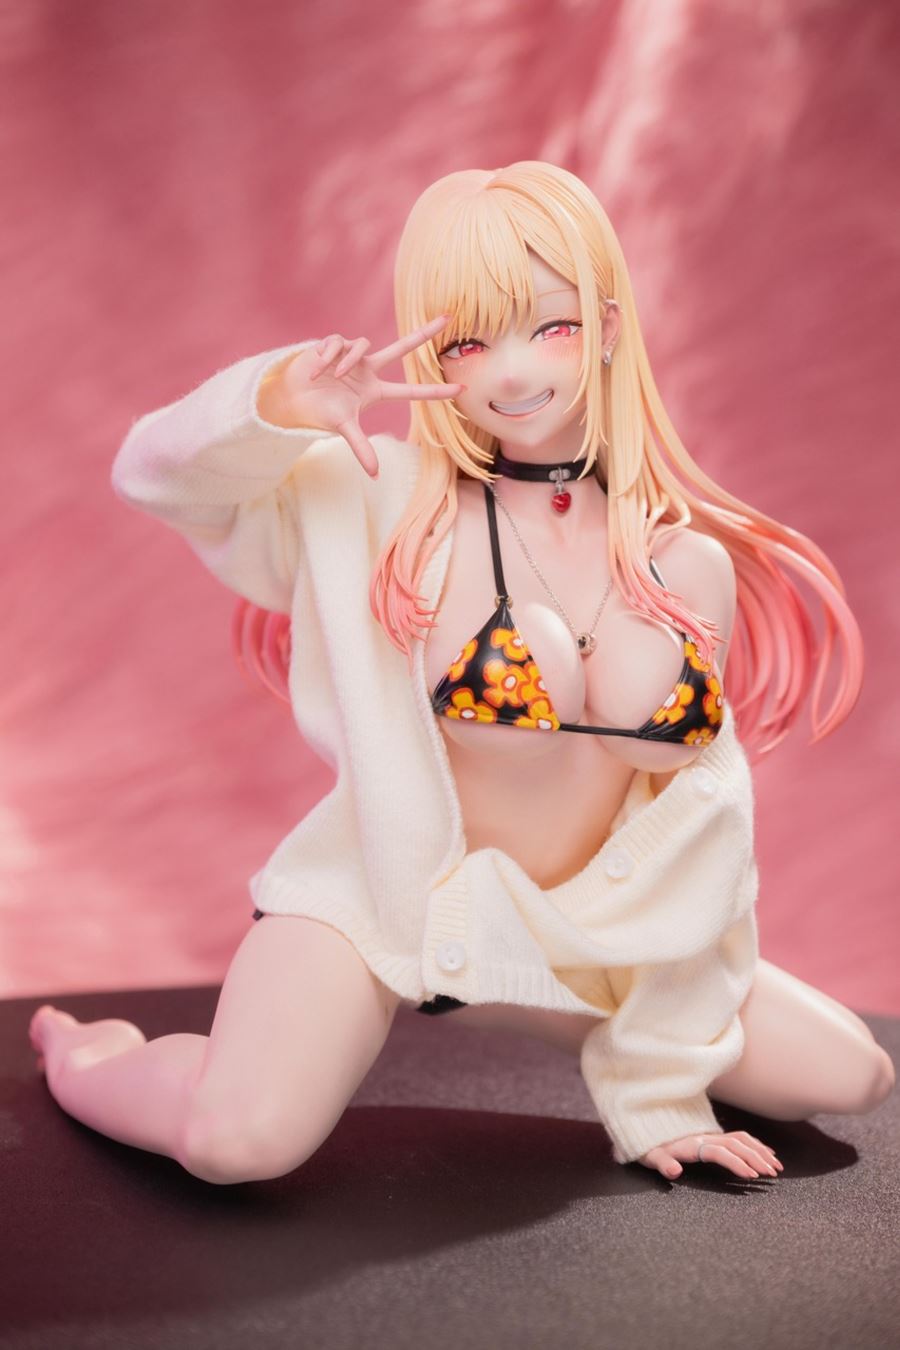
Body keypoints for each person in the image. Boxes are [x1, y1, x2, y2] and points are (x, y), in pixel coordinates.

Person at [30, 163, 893, 1186]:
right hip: (388, 912)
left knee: (854, 1073)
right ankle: (93, 1056)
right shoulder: (376, 497)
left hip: (585, 935)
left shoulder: (684, 559)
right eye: (469, 343)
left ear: (609, 328)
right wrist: (278, 402)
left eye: (551, 327)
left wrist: (656, 1086)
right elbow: (154, 476)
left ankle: (526, 995)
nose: (511, 374)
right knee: (235, 1143)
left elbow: (704, 827)